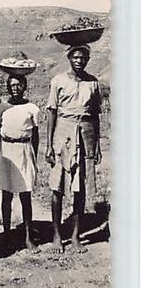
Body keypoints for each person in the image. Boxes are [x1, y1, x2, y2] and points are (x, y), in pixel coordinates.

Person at [45, 44, 102, 254]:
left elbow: (96, 114)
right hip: (63, 133)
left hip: (86, 132)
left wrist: (96, 144)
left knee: (81, 187)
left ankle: (76, 236)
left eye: (83, 57)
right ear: (69, 58)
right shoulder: (58, 81)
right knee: (57, 185)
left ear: (88, 59)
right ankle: (56, 235)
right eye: (76, 57)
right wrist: (49, 145)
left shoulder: (93, 82)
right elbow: (52, 113)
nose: (79, 60)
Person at [0, 75, 39, 252]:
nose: (15, 88)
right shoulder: (2, 107)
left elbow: (35, 136)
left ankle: (28, 237)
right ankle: (6, 235)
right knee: (6, 195)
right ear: (7, 87)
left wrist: (33, 157)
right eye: (12, 85)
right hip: (6, 151)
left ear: (24, 86)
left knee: (25, 195)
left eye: (19, 84)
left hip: (23, 150)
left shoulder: (31, 108)